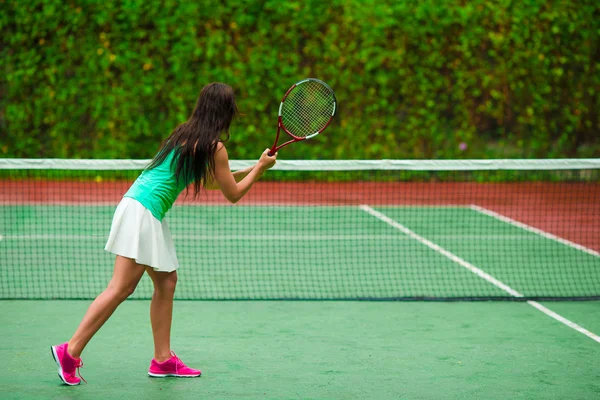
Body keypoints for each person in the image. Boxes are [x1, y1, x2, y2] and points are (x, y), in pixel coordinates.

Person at [50, 83, 277, 385]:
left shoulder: (184, 134)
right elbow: (232, 194)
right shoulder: (214, 147)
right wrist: (259, 169)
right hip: (142, 212)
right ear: (226, 113)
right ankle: (71, 350)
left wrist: (255, 167)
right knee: (120, 288)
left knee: (167, 281)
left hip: (140, 207)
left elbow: (213, 182)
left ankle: (162, 360)